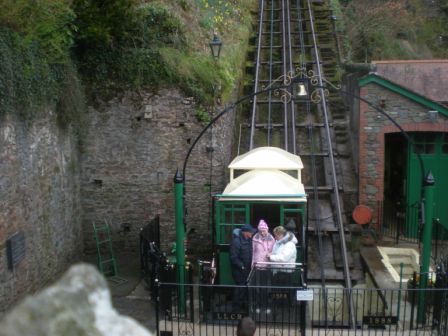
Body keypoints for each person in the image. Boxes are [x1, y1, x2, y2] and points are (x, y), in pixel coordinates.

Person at [229, 223, 256, 311]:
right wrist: (242, 266)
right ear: (245, 233)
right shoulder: (236, 242)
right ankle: (236, 308)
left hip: (247, 268)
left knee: (244, 288)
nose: (252, 233)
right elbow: (233, 257)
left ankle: (243, 306)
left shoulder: (249, 240)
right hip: (239, 270)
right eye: (251, 232)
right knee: (240, 287)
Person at [252, 219, 275, 314]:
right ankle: (257, 306)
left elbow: (274, 252)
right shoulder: (255, 238)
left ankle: (267, 306)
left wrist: (270, 254)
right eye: (261, 230)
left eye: (264, 230)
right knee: (257, 287)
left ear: (267, 229)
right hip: (257, 266)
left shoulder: (272, 239)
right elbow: (252, 252)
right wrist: (252, 265)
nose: (262, 232)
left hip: (267, 266)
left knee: (266, 288)